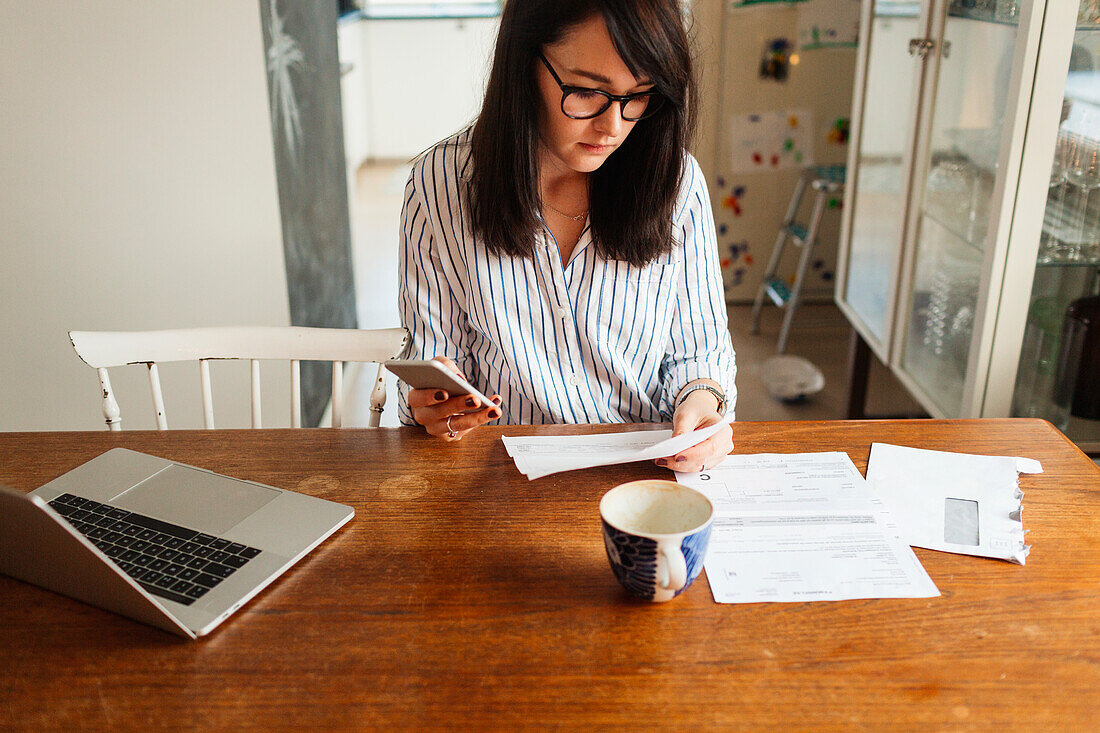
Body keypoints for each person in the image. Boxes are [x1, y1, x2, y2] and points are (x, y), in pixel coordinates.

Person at [396, 0, 736, 472]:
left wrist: (703, 399)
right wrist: (433, 407)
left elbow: (700, 350)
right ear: (524, 63)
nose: (613, 127)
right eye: (585, 91)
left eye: (639, 95)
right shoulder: (441, 186)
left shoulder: (675, 182)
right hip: (503, 476)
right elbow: (433, 364)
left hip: (645, 472)